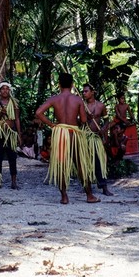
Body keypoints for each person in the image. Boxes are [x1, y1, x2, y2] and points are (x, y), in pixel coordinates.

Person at [35, 73, 100, 204]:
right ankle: (89, 196)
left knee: (61, 164)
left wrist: (52, 124)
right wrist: (85, 117)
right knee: (81, 164)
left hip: (60, 133)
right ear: (72, 85)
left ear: (59, 84)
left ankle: (64, 197)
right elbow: (82, 120)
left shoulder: (54, 99)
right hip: (73, 133)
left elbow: (38, 113)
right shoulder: (77, 100)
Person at [82, 83, 113, 196]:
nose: (84, 93)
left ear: (92, 92)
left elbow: (106, 121)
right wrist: (86, 118)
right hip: (84, 137)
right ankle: (87, 186)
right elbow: (78, 121)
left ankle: (104, 187)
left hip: (96, 137)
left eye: (86, 91)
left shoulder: (101, 106)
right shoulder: (81, 105)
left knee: (99, 161)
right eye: (83, 91)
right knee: (85, 162)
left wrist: (104, 129)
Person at [0, 81, 22, 189]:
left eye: (7, 88)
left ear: (9, 90)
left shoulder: (14, 103)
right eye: (3, 89)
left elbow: (17, 119)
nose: (5, 90)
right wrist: (1, 112)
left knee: (12, 156)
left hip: (11, 132)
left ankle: (14, 182)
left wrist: (19, 134)